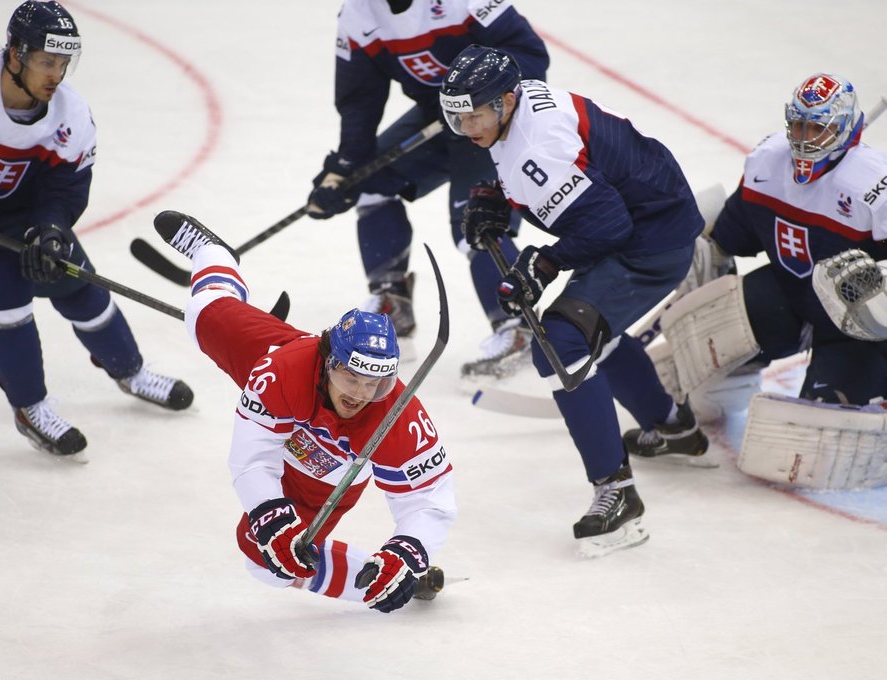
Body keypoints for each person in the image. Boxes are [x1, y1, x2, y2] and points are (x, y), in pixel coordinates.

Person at [440, 45, 710, 557]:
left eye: (473, 115)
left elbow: (606, 224)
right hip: (648, 217)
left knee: (562, 343)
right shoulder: (516, 113)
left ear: (504, 102)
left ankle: (617, 492)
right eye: (457, 118)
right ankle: (673, 428)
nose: (466, 128)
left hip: (650, 241)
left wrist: (541, 265)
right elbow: (570, 184)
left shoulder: (535, 145)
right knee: (590, 335)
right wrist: (497, 199)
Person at [0, 1, 193, 459]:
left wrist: (51, 230)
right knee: (4, 286)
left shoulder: (70, 116)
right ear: (16, 54)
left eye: (64, 63)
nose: (56, 74)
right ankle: (31, 408)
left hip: (15, 211)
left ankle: (131, 371)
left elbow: (66, 185)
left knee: (74, 278)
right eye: (46, 61)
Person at [156, 211, 455, 612]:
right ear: (329, 360)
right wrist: (269, 510)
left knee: (265, 559)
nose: (362, 394)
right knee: (204, 311)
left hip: (329, 467)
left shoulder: (396, 415)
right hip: (285, 369)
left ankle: (380, 580)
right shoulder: (281, 371)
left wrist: (405, 555)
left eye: (376, 383)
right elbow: (253, 458)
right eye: (352, 377)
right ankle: (214, 253)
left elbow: (429, 498)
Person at [651, 74, 887, 488]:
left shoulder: (875, 189)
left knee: (818, 452)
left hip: (856, 333)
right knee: (703, 397)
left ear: (846, 129)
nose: (804, 138)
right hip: (789, 295)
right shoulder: (767, 162)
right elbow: (728, 236)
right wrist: (699, 256)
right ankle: (739, 378)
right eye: (799, 125)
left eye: (818, 128)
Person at [305, 0, 549, 379]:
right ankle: (393, 304)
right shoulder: (358, 13)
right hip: (441, 119)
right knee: (370, 182)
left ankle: (517, 327)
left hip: (495, 122)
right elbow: (360, 100)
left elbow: (528, 54)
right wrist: (348, 167)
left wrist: (477, 96)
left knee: (476, 223)